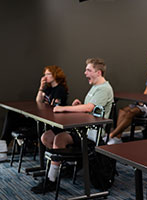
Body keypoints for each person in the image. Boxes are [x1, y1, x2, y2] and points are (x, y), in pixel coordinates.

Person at [31, 58, 114, 194]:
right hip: (83, 129)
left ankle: (51, 180)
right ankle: (64, 165)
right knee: (47, 136)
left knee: (59, 139)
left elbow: (89, 108)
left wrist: (65, 108)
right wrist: (79, 105)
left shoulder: (104, 89)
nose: (85, 73)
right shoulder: (95, 87)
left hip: (92, 136)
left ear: (98, 73)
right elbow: (91, 109)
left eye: (88, 70)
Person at [107, 48, 147, 144]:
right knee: (122, 111)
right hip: (145, 104)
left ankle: (112, 135)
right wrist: (142, 99)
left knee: (131, 112)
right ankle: (118, 137)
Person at [1, 65, 69, 145]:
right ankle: (3, 144)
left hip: (47, 123)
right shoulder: (48, 89)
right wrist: (41, 87)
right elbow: (38, 101)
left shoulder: (60, 90)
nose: (45, 77)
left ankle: (19, 142)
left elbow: (54, 108)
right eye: (45, 74)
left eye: (48, 74)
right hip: (39, 119)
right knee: (12, 114)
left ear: (55, 75)